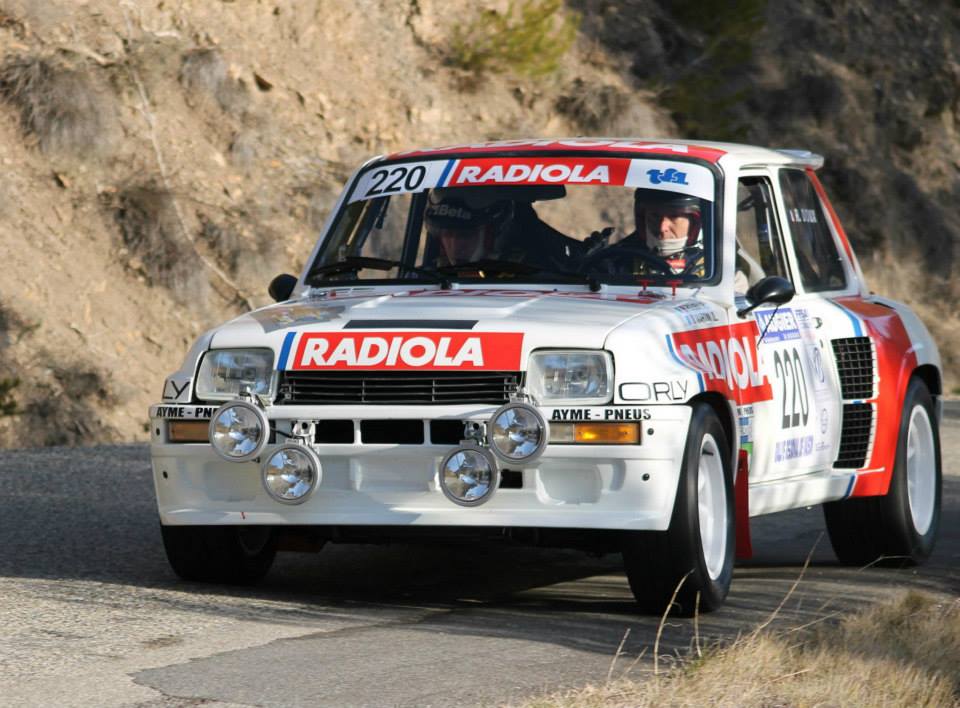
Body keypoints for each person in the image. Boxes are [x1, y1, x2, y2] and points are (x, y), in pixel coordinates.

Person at [422, 188, 582, 272]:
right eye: (447, 235)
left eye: (464, 235)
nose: (454, 245)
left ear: (493, 234)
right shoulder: (423, 279)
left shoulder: (537, 276)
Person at [586, 189, 706, 277]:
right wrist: (594, 262)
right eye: (654, 216)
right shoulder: (619, 260)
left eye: (673, 216)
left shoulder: (716, 266)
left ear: (695, 222)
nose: (662, 227)